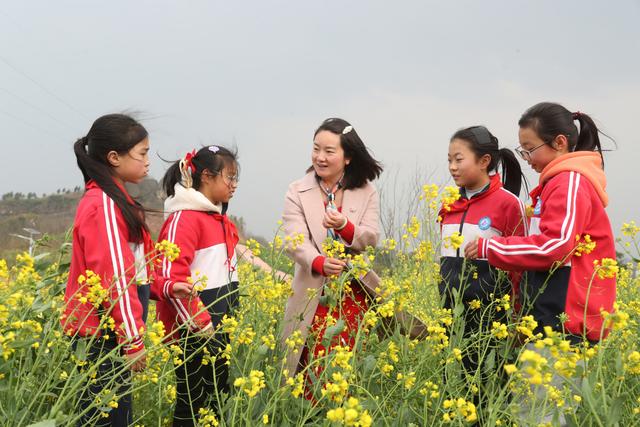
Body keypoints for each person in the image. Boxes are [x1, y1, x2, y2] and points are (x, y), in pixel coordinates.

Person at [61, 114, 192, 426]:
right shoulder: (104, 204)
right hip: (101, 336)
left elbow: (136, 270)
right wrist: (133, 339)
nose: (148, 161)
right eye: (143, 153)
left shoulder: (116, 201)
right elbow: (114, 277)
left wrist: (166, 288)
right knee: (105, 418)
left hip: (112, 333)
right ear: (114, 158)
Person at [281, 118, 383, 382]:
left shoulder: (367, 191)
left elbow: (371, 238)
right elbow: (294, 241)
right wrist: (318, 262)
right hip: (312, 291)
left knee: (342, 370)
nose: (320, 157)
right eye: (316, 149)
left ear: (347, 157)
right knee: (306, 367)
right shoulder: (297, 190)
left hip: (352, 293)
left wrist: (346, 227)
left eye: (329, 151)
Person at [155, 145, 240, 426]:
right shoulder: (185, 219)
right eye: (229, 177)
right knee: (194, 404)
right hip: (195, 331)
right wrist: (201, 324)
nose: (234, 185)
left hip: (217, 329)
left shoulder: (214, 217)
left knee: (217, 400)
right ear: (206, 176)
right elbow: (170, 277)